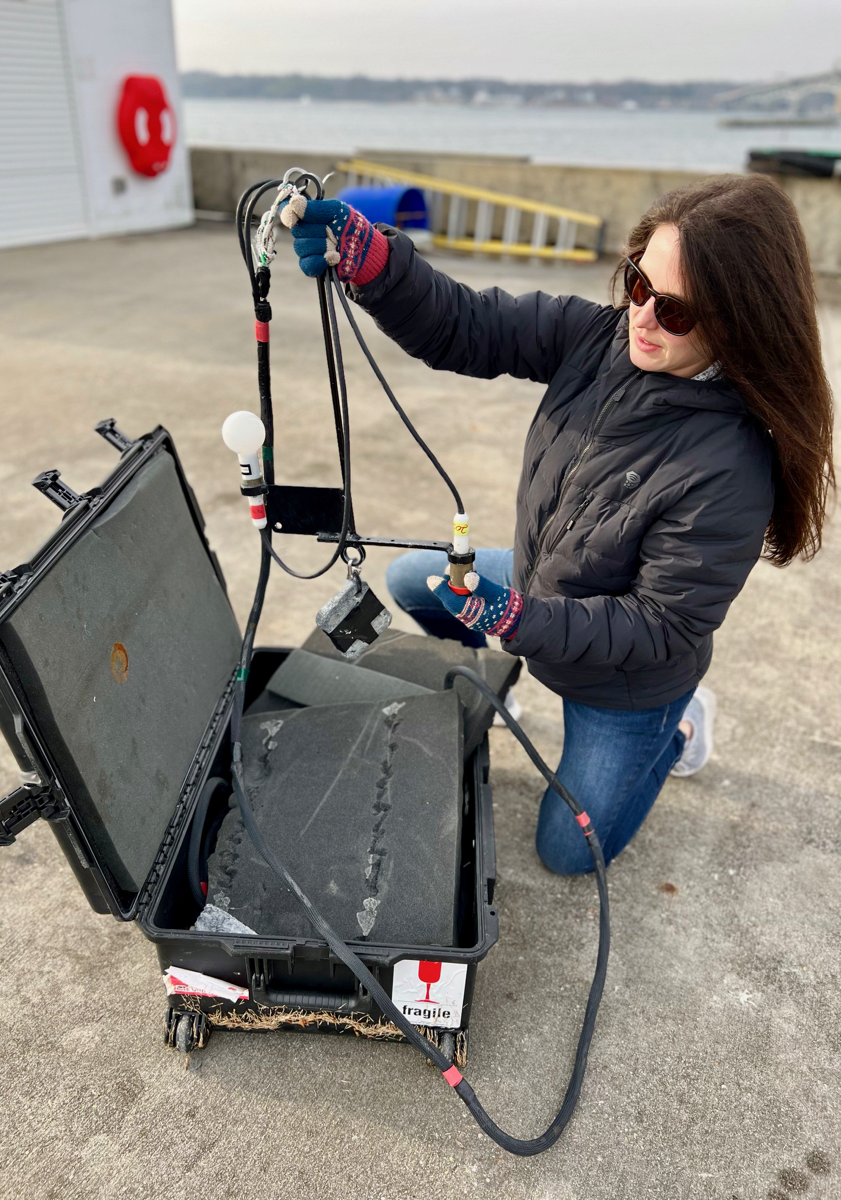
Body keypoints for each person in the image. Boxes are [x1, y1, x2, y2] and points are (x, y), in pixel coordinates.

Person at [279, 174, 835, 875]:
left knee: (567, 852)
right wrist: (380, 267)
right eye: (637, 284)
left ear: (738, 323)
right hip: (539, 583)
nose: (642, 317)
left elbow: (658, 623)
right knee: (407, 580)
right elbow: (466, 326)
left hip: (628, 676)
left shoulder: (732, 466)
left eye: (675, 312)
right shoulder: (596, 337)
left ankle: (682, 724)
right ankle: (488, 675)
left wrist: (515, 619)